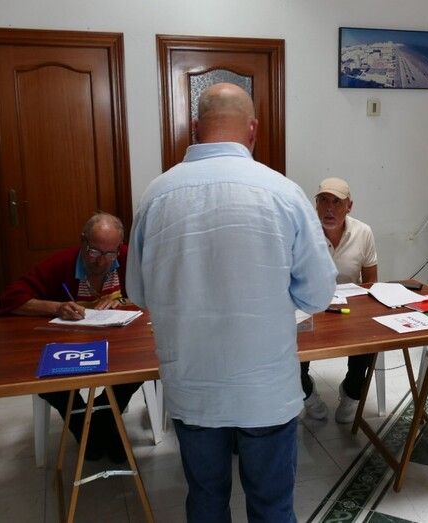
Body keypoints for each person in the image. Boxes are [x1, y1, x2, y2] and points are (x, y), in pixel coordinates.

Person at [126, 83, 336, 523]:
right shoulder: (283, 192)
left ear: (197, 129)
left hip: (192, 387)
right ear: (254, 129)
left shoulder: (156, 195)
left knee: (205, 501)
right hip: (266, 389)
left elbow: (139, 294)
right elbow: (318, 294)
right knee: (272, 506)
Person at [0, 212, 142, 462]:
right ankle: (80, 421)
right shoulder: (62, 263)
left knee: (141, 367)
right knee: (46, 377)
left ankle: (104, 418)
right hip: (70, 345)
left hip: (120, 344)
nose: (101, 261)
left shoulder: (129, 259)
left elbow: (155, 293)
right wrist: (56, 307)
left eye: (110, 253)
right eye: (95, 251)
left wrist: (123, 300)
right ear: (83, 241)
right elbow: (10, 299)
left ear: (119, 247)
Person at [301, 177, 378, 423]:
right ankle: (308, 394)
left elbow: (370, 285)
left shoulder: (363, 232)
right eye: (323, 201)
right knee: (291, 356)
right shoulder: (304, 231)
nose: (329, 208)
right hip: (309, 307)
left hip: (349, 310)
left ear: (349, 206)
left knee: (370, 342)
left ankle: (352, 392)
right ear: (315, 205)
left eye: (337, 202)